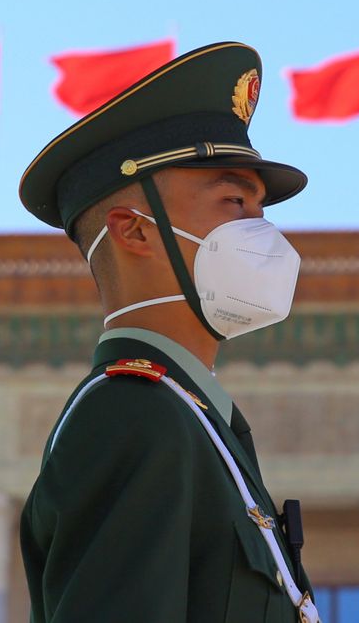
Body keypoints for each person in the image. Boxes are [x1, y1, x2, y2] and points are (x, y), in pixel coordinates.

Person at [17, 41, 319, 622]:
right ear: (134, 232)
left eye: (261, 210)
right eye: (234, 202)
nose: (261, 232)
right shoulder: (134, 416)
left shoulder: (196, 421)